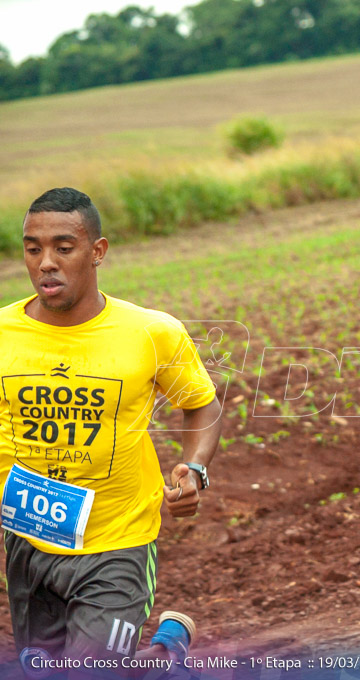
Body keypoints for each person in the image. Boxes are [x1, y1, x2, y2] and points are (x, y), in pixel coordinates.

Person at [0, 188, 222, 677]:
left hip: (116, 542)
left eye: (63, 247)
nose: (46, 263)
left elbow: (201, 402)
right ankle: (165, 654)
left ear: (97, 251)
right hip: (27, 539)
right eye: (33, 248)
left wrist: (196, 469)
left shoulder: (150, 332)